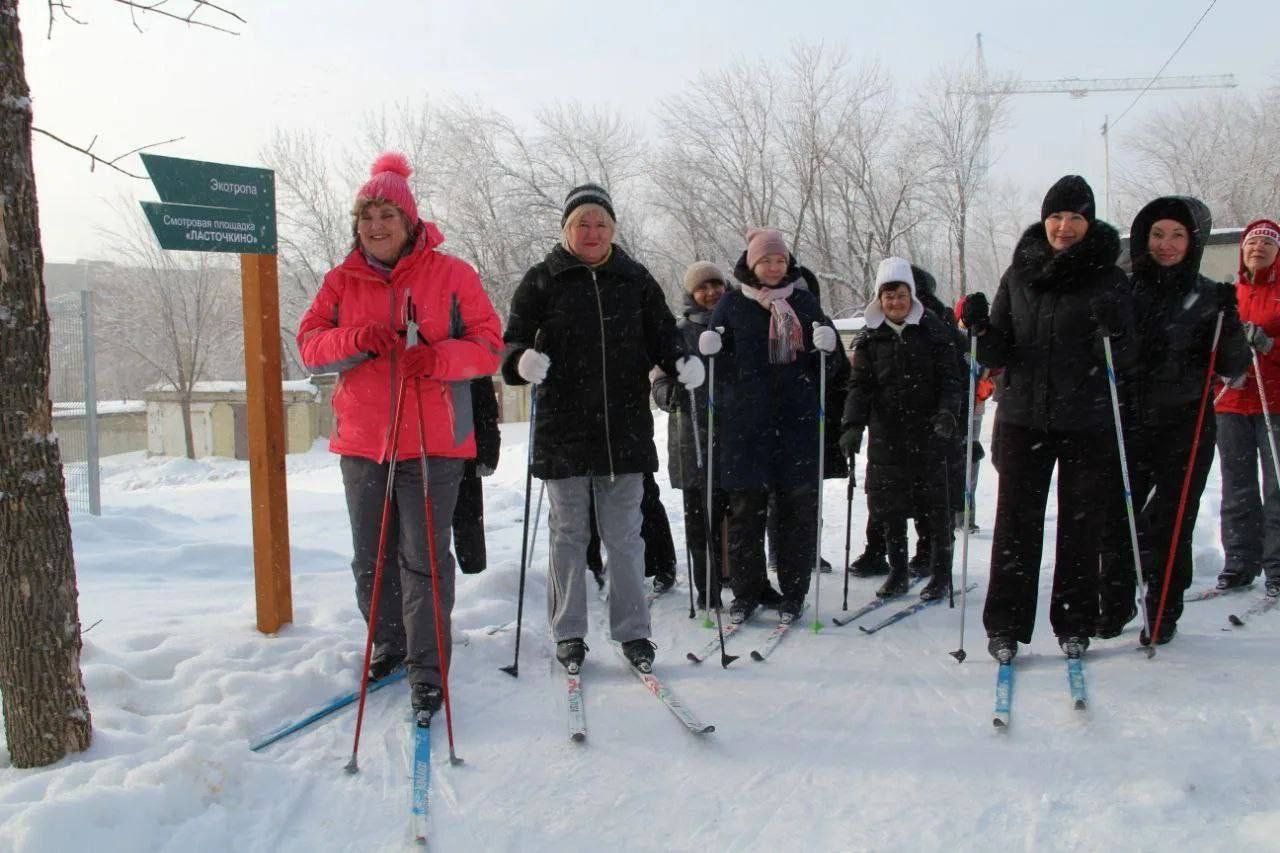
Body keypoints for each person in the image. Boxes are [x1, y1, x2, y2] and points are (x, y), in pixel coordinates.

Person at [297, 152, 503, 719]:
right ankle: (389, 647)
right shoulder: (341, 280)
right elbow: (310, 347)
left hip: (433, 443)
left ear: (409, 221)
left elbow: (489, 345)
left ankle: (428, 669)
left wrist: (437, 358)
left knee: (424, 560)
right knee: (372, 559)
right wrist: (355, 339)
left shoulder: (452, 274)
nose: (376, 225)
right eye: (367, 216)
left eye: (387, 214)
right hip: (364, 443)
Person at [502, 183, 701, 674]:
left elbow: (663, 332)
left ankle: (633, 632)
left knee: (625, 536)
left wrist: (681, 360)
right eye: (582, 224)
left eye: (601, 224)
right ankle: (568, 632)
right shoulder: (543, 279)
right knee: (569, 534)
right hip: (563, 430)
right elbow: (510, 341)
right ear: (566, 229)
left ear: (612, 229)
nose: (592, 232)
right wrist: (519, 361)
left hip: (623, 429)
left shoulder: (634, 279)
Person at [962, 175, 1134, 662]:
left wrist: (1115, 331)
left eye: (1075, 217)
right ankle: (1005, 625)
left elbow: (1127, 356)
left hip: (1087, 422)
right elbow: (998, 350)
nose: (1064, 226)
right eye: (1056, 216)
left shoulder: (1110, 278)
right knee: (1015, 524)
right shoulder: (1019, 274)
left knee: (1081, 527)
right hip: (1024, 418)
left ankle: (1074, 622)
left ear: (1089, 223)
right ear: (1044, 219)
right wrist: (978, 328)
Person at [1096, 197, 1249, 644]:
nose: (1166, 244)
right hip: (1128, 418)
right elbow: (1101, 353)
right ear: (1144, 237)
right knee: (1118, 514)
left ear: (1192, 242)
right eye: (1158, 234)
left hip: (1186, 422)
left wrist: (1231, 323)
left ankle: (1163, 606)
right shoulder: (1123, 291)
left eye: (1178, 235)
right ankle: (1116, 600)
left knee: (1173, 518)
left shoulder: (1209, 296)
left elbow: (1232, 365)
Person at [699, 228, 840, 624]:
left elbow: (830, 368)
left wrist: (827, 348)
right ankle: (747, 592)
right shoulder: (731, 304)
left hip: (796, 425)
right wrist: (709, 351)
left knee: (796, 515)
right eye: (766, 261)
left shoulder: (805, 302)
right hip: (745, 428)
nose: (774, 267)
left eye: (780, 260)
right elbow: (715, 369)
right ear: (752, 264)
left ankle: (794, 592)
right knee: (746, 516)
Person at [839, 258, 963, 601]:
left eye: (901, 295)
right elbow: (860, 386)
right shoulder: (870, 336)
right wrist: (852, 425)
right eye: (888, 296)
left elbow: (951, 380)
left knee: (935, 508)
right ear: (879, 298)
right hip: (888, 436)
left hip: (931, 434)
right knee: (889, 508)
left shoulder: (933, 330)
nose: (895, 302)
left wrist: (948, 414)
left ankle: (941, 573)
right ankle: (897, 572)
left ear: (912, 296)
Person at [653, 261, 731, 610]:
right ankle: (707, 589)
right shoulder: (678, 333)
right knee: (700, 520)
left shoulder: (737, 324)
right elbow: (659, 381)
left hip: (735, 437)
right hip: (693, 438)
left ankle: (746, 582)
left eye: (716, 285)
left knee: (741, 517)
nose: (711, 292)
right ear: (691, 293)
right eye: (703, 288)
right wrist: (673, 393)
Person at [1215, 219, 1280, 601]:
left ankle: (1277, 566)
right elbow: (1212, 347)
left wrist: (1270, 345)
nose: (1259, 249)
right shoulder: (1229, 294)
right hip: (1233, 404)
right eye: (1253, 243)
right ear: (1242, 249)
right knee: (1237, 487)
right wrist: (1226, 368)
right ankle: (1239, 563)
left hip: (1275, 405)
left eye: (1267, 244)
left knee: (1277, 487)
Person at [453, 376, 501, 575]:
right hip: (422, 446)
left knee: (468, 523)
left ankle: (475, 580)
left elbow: (486, 404)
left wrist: (488, 447)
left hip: (465, 446)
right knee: (422, 529)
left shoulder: (471, 362)